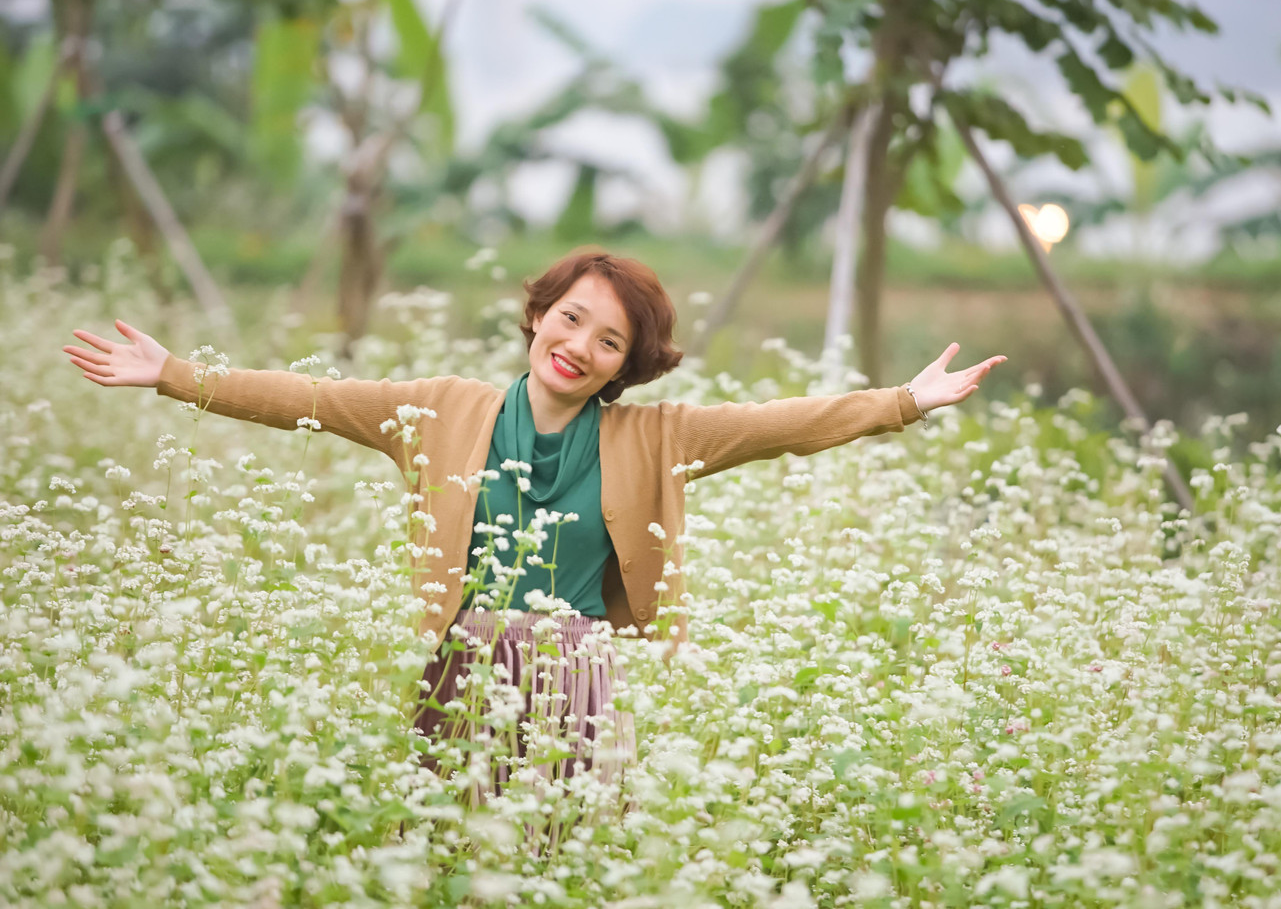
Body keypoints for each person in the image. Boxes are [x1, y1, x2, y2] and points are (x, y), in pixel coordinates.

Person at [63, 249, 1006, 803]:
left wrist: (904, 402)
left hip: (577, 673)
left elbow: (780, 424)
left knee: (561, 851)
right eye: (571, 318)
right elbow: (312, 397)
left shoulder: (655, 436)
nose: (579, 346)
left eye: (610, 341)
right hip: (460, 661)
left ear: (626, 367)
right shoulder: (440, 409)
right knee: (448, 841)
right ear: (537, 316)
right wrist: (175, 374)